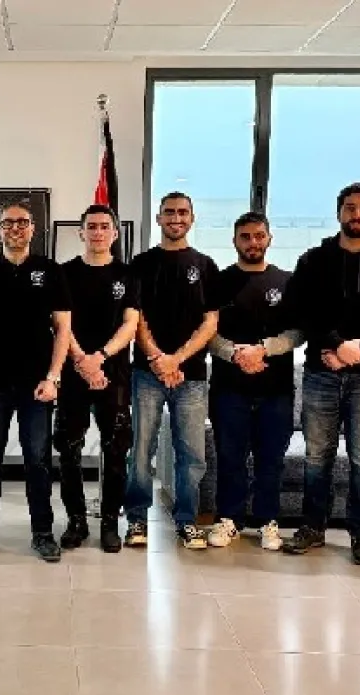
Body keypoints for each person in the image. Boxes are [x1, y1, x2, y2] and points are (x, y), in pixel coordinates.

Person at [280, 183, 360, 565]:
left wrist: (359, 349)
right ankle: (312, 527)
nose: (357, 214)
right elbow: (300, 313)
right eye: (350, 208)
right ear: (339, 212)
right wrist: (337, 346)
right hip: (321, 372)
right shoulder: (313, 260)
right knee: (316, 456)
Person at [0, 204, 72, 563]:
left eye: (22, 222)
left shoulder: (50, 271)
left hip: (37, 386)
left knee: (37, 460)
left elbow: (63, 329)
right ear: (0, 228)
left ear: (33, 228)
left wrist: (53, 377)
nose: (15, 228)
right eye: (8, 223)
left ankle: (42, 533)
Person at [124, 192, 220, 551]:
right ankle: (136, 519)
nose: (176, 218)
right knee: (141, 449)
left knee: (191, 455)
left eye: (182, 213)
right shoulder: (141, 264)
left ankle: (187, 521)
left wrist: (176, 360)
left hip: (191, 376)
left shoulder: (206, 266)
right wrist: (157, 358)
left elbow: (210, 323)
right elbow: (135, 318)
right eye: (169, 213)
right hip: (146, 374)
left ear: (191, 219)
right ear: (159, 218)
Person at [206, 211, 303, 551]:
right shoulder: (218, 282)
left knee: (271, 459)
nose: (253, 242)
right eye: (245, 236)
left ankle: (267, 521)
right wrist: (235, 354)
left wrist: (264, 349)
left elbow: (298, 332)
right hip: (228, 388)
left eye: (259, 236)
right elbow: (206, 333)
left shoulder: (287, 281)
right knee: (229, 457)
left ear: (269, 239)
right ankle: (228, 519)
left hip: (276, 389)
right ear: (234, 241)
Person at [53, 204, 140, 554]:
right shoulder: (64, 273)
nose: (98, 232)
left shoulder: (128, 275)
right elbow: (61, 323)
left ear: (114, 233)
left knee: (116, 451)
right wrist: (81, 360)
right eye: (92, 226)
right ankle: (76, 521)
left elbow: (130, 324)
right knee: (68, 451)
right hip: (73, 375)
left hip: (113, 375)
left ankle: (109, 522)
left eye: (105, 226)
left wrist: (99, 358)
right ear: (81, 232)